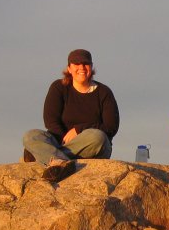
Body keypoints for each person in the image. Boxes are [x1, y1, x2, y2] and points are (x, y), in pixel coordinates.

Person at [22, 49, 120, 181]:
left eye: (85, 64)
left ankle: (46, 155)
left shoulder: (104, 92)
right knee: (31, 136)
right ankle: (62, 162)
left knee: (98, 137)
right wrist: (64, 137)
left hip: (91, 146)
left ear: (91, 67)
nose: (81, 68)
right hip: (59, 139)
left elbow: (111, 127)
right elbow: (50, 121)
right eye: (76, 64)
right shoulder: (59, 87)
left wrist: (79, 130)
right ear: (69, 68)